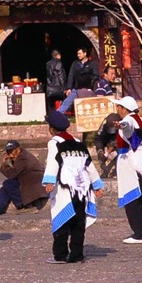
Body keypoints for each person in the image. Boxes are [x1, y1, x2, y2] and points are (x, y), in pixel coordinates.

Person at [41, 110, 103, 264]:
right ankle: (76, 255)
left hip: (64, 188)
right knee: (78, 223)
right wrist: (97, 184)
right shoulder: (78, 143)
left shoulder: (54, 142)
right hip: (82, 188)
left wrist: (49, 181)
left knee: (61, 220)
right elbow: (88, 165)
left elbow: (53, 162)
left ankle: (60, 255)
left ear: (52, 129)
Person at [110, 95, 142, 243]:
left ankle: (139, 233)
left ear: (124, 109)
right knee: (141, 197)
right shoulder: (140, 119)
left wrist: (121, 125)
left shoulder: (128, 120)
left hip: (130, 161)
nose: (117, 109)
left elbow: (127, 125)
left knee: (132, 196)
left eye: (119, 107)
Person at [0, 140, 47, 215]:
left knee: (8, 183)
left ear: (18, 149)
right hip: (28, 183)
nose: (10, 154)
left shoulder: (23, 158)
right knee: (7, 186)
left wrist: (5, 164)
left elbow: (12, 175)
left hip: (35, 186)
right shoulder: (21, 156)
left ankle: (24, 206)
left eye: (12, 151)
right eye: (8, 152)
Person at [57, 47, 99, 114]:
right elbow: (71, 75)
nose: (78, 55)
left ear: (85, 53)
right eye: (77, 54)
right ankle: (57, 114)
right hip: (76, 88)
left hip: (87, 89)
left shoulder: (91, 64)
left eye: (80, 53)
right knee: (67, 102)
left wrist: (89, 80)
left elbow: (96, 75)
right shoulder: (75, 63)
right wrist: (69, 88)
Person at [92, 109, 122, 179]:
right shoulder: (105, 124)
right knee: (101, 156)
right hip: (108, 140)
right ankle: (106, 171)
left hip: (119, 142)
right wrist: (100, 150)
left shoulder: (123, 122)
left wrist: (112, 148)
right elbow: (98, 138)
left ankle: (116, 171)